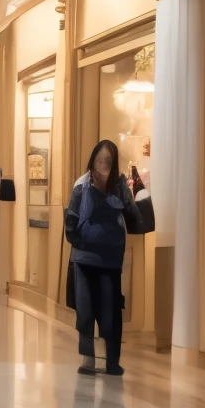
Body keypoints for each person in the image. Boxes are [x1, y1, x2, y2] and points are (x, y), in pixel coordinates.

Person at [64, 139, 150, 377]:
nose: (103, 164)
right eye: (100, 160)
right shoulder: (82, 184)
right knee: (86, 310)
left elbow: (133, 215)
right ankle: (88, 359)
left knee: (111, 310)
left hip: (111, 259)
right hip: (84, 259)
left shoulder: (120, 185)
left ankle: (112, 361)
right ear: (92, 161)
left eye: (108, 161)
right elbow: (71, 218)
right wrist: (79, 242)